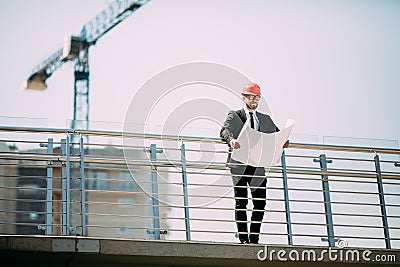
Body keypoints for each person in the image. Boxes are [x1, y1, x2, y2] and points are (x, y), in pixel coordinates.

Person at [220, 82, 289, 244]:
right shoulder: (235, 115)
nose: (254, 100)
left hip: (258, 164)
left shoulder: (264, 119)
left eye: (257, 97)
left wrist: (283, 142)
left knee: (260, 202)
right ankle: (244, 239)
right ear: (243, 97)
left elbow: (277, 135)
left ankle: (254, 239)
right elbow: (224, 130)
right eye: (251, 97)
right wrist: (231, 141)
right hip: (239, 164)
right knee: (241, 201)